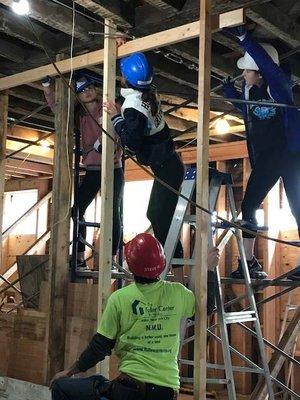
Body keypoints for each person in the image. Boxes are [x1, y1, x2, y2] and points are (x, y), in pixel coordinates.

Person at [50, 233, 220, 400]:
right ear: (161, 263)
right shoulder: (177, 293)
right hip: (167, 392)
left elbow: (100, 346)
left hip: (129, 390)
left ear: (131, 267)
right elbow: (206, 309)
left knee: (62, 387)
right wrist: (208, 269)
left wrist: (71, 371)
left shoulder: (120, 298)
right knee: (101, 382)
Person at [223, 26, 300, 280]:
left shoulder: (278, 86)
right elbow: (248, 113)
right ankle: (249, 262)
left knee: (297, 206)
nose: (243, 74)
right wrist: (229, 94)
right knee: (249, 204)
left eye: (247, 70)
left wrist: (245, 40)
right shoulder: (249, 90)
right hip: (266, 157)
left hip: (289, 155)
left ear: (260, 73)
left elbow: (268, 66)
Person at [103, 52, 186, 282]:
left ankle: (175, 277)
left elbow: (132, 141)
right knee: (157, 215)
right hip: (168, 163)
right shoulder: (147, 92)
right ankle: (171, 272)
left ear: (125, 78)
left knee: (160, 217)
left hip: (166, 167)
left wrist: (116, 118)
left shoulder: (132, 107)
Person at [42, 73, 124, 269]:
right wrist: (47, 88)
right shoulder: (79, 116)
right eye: (81, 90)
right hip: (93, 170)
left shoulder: (106, 107)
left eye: (89, 88)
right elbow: (58, 109)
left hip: (113, 168)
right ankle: (79, 256)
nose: (86, 92)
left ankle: (111, 260)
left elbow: (118, 120)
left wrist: (104, 141)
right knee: (77, 210)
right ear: (77, 96)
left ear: (95, 90)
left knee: (112, 212)